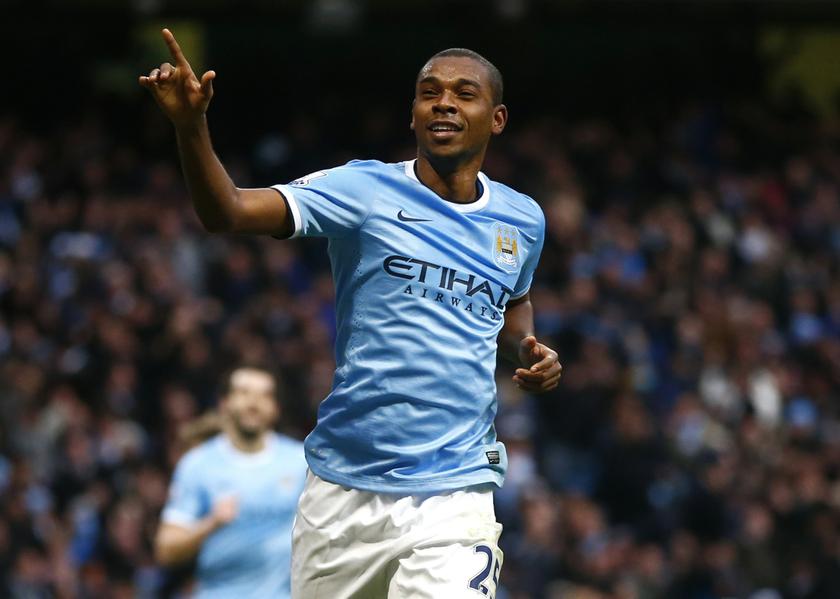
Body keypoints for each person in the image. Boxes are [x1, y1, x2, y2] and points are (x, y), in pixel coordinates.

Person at [140, 29, 562, 599]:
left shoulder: (522, 219)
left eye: (464, 94)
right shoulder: (364, 188)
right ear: (413, 115)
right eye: (429, 93)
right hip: (342, 493)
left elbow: (512, 304)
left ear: (497, 118)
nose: (443, 103)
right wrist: (190, 127)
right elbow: (229, 211)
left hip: (455, 491)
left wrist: (528, 348)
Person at [155, 366, 307, 598]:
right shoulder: (197, 464)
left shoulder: (300, 462)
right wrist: (211, 522)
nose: (253, 403)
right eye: (244, 392)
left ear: (275, 408)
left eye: (264, 395)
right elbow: (166, 550)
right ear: (224, 403)